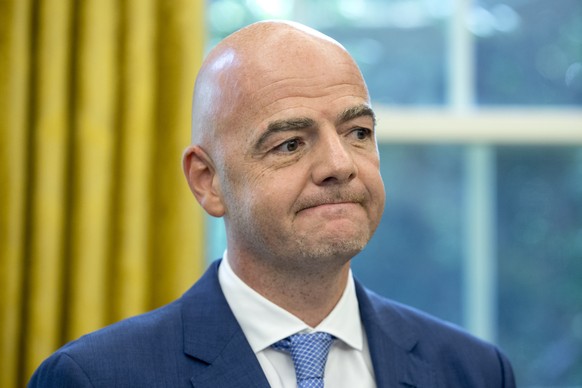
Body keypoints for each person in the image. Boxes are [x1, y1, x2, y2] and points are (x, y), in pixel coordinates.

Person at [29, 20, 516, 387]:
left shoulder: (473, 370)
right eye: (290, 143)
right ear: (208, 182)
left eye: (358, 133)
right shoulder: (94, 377)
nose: (339, 164)